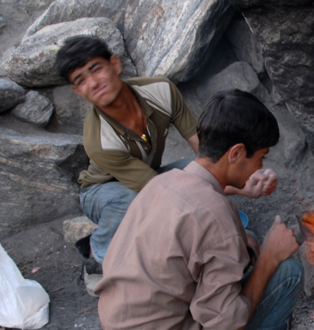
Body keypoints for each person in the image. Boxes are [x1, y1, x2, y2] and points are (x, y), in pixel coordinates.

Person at [96, 89, 303, 330]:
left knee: (246, 243)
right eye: (260, 157)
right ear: (236, 152)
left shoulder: (164, 183)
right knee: (288, 271)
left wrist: (246, 244)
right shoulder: (213, 215)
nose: (260, 167)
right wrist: (268, 259)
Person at [54, 37, 277, 295]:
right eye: (80, 80)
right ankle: (98, 254)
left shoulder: (160, 91)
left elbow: (204, 149)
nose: (93, 83)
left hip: (149, 179)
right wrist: (232, 226)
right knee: (133, 201)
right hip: (103, 193)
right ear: (77, 91)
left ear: (114, 64)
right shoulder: (99, 140)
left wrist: (245, 178)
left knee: (196, 170)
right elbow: (160, 191)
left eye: (96, 69)